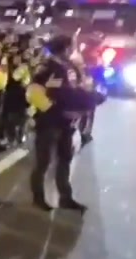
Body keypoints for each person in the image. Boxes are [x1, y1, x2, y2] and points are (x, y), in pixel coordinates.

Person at [25, 33, 91, 211]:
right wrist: (49, 107)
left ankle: (65, 197)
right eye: (72, 46)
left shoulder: (69, 66)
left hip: (66, 121)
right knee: (43, 162)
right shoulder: (46, 66)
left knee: (65, 159)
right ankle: (38, 198)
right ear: (66, 47)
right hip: (48, 121)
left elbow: (74, 89)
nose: (73, 49)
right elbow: (33, 90)